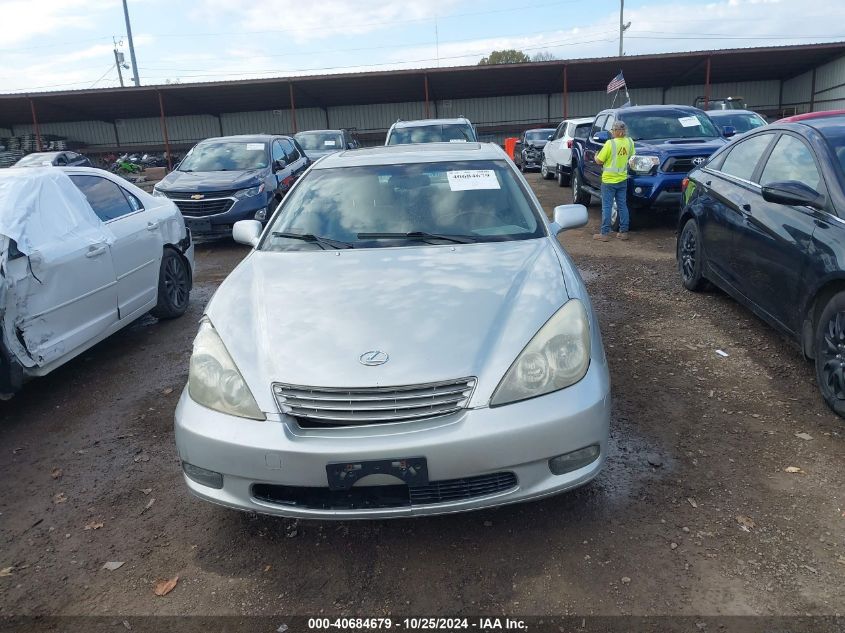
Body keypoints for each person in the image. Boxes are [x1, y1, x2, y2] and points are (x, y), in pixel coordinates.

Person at [593, 120, 635, 242]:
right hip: (622, 179)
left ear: (616, 131)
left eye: (612, 130)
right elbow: (631, 158)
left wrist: (596, 156)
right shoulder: (630, 142)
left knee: (607, 206)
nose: (611, 132)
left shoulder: (610, 144)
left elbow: (600, 161)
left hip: (608, 180)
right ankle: (624, 232)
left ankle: (604, 234)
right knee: (622, 205)